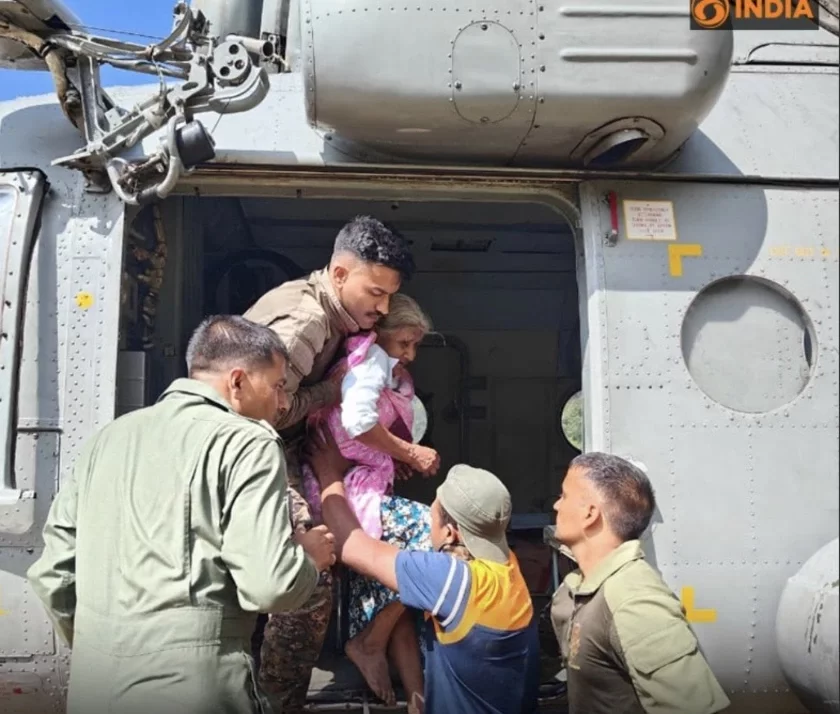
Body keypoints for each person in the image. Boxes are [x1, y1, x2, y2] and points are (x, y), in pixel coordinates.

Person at [26, 315, 336, 714]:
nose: (283, 403)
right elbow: (269, 586)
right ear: (237, 382)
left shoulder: (107, 439)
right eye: (277, 386)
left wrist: (107, 648)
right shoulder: (247, 443)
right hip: (193, 691)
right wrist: (307, 559)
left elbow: (52, 577)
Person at [243, 215, 425, 712]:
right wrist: (331, 391)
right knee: (311, 578)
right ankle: (277, 701)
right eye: (375, 293)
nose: (381, 308)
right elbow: (263, 410)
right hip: (258, 450)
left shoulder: (331, 317)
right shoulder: (306, 324)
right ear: (340, 274)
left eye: (389, 297)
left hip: (281, 447)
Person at [303, 427, 541, 714]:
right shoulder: (507, 568)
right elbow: (404, 596)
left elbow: (352, 547)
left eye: (432, 512)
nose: (427, 516)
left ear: (450, 532)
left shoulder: (452, 581)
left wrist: (329, 474)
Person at [299, 293, 440, 707]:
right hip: (348, 490)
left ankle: (415, 699)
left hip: (358, 483)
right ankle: (369, 642)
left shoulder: (374, 362)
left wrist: (390, 458)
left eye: (415, 345)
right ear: (379, 335)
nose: (410, 355)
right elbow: (358, 422)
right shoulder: (371, 363)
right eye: (404, 343)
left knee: (395, 588)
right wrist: (408, 452)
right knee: (434, 540)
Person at [550, 453, 730, 714]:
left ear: (590, 513)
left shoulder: (634, 602)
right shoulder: (585, 588)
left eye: (564, 496)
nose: (556, 505)